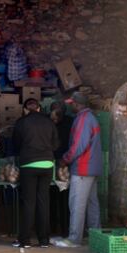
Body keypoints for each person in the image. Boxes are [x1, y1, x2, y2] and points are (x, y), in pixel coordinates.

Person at [55, 91, 102, 247]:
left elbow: (78, 146)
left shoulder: (83, 119)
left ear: (77, 104)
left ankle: (74, 238)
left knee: (77, 204)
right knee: (91, 204)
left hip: (82, 168)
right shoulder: (91, 118)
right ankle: (95, 235)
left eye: (72, 104)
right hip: (92, 168)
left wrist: (65, 159)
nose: (71, 107)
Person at [12, 98, 59, 248]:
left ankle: (25, 240)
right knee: (43, 201)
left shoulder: (21, 122)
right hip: (47, 165)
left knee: (28, 202)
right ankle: (44, 240)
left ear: (25, 109)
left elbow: (16, 144)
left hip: (29, 164)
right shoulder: (49, 122)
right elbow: (55, 144)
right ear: (39, 108)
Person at [49, 101, 73, 237]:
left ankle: (65, 229)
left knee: (64, 199)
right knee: (52, 198)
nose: (55, 116)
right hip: (52, 163)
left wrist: (65, 159)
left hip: (64, 164)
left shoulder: (69, 122)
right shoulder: (48, 121)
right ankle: (53, 228)